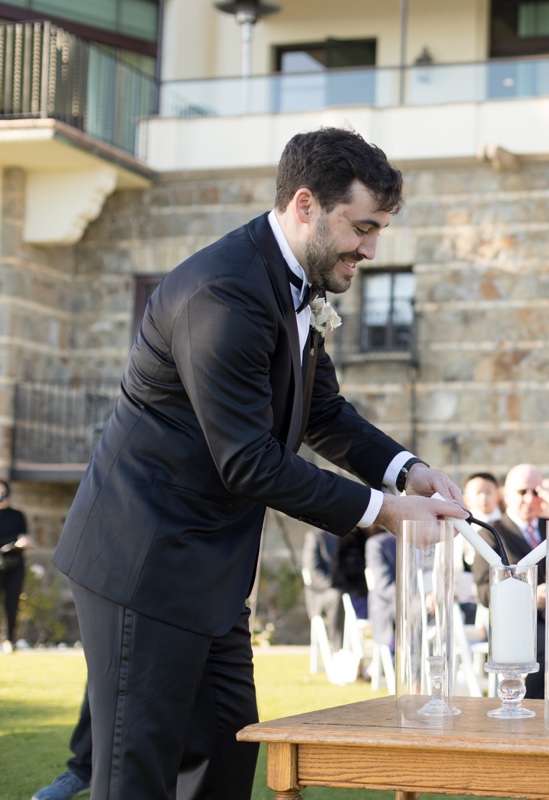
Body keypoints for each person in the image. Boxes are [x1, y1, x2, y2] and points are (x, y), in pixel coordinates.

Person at [51, 127, 466, 800]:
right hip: (145, 564)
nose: (370, 248)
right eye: (362, 227)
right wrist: (385, 514)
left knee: (225, 753)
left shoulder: (296, 284)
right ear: (305, 204)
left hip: (210, 573)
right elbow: (249, 461)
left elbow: (322, 414)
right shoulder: (226, 293)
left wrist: (404, 470)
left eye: (380, 230)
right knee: (136, 779)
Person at [469, 463, 549, 698]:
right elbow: (485, 591)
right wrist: (531, 597)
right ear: (506, 494)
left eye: (536, 492)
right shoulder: (491, 534)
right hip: (518, 620)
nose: (530, 498)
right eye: (522, 492)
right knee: (548, 648)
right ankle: (532, 707)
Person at [302, 528, 345, 649]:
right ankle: (337, 648)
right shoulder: (315, 537)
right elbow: (312, 570)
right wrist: (332, 584)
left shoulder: (345, 536)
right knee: (337, 596)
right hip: (320, 592)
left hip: (344, 588)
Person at [0, 478, 29, 653]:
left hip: (15, 565)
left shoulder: (17, 515)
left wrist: (21, 543)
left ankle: (10, 639)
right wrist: (10, 543)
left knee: (12, 603)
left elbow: (23, 537)